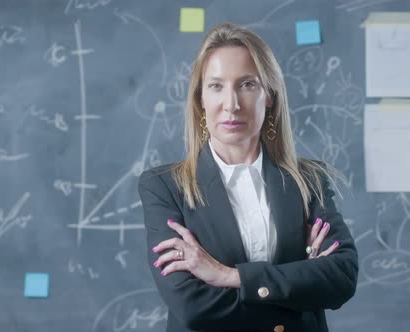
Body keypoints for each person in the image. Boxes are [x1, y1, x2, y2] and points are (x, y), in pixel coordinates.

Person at [138, 22, 358, 332]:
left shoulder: (309, 180)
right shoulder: (164, 187)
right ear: (200, 98)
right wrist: (300, 284)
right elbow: (193, 308)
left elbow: (342, 278)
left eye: (247, 84)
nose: (231, 104)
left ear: (269, 94)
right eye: (216, 86)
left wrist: (229, 276)